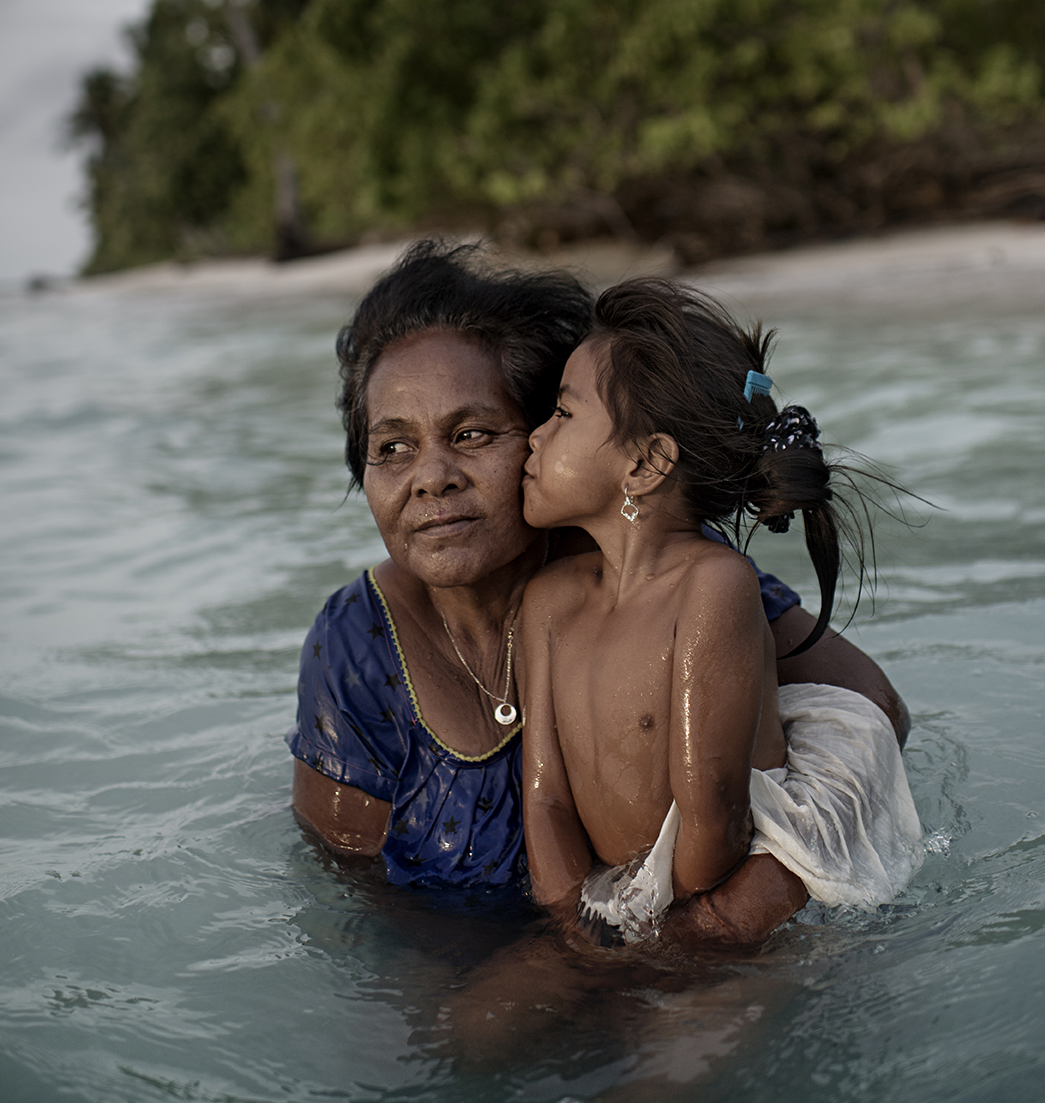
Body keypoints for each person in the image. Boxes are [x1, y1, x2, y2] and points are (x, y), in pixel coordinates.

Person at [288, 240, 911, 944]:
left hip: (699, 947)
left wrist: (742, 907)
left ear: (540, 441)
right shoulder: (355, 645)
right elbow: (354, 899)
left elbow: (871, 709)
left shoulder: (658, 570)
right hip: (511, 959)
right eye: (391, 448)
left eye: (472, 433)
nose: (431, 478)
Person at [519, 279, 923, 946]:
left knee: (680, 1052)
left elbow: (711, 819)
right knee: (478, 1033)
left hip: (709, 909)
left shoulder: (713, 588)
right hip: (613, 908)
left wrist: (653, 929)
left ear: (646, 464)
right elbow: (544, 797)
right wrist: (575, 919)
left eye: (561, 414)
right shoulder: (548, 602)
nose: (533, 438)